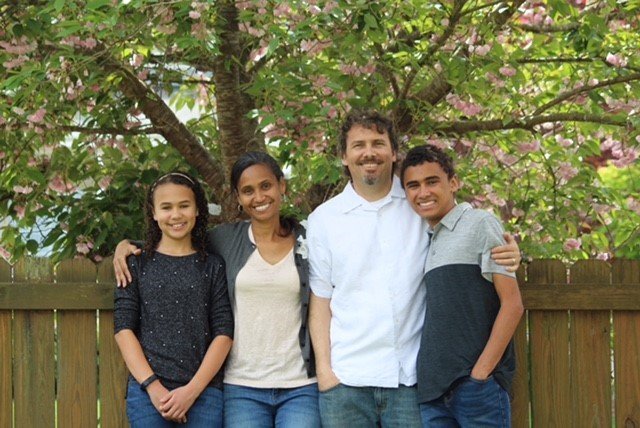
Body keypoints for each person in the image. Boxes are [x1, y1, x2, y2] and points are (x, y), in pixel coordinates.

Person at [307, 110, 521, 427]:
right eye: (358, 144)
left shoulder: (418, 206)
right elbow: (321, 299)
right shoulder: (323, 220)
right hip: (346, 381)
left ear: (393, 152)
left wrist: (512, 251)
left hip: (410, 382)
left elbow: (465, 236)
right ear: (344, 155)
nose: (369, 152)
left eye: (378, 143)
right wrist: (325, 372)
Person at [114, 152, 320, 428]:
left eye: (266, 186)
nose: (258, 196)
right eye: (248, 190)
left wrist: (193, 389)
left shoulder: (309, 240)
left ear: (282, 185)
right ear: (238, 197)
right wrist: (125, 245)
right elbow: (174, 242)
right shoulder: (224, 240)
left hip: (294, 383)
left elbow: (223, 327)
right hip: (239, 385)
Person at [400, 145, 524, 427]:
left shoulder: (480, 223)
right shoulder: (424, 237)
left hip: (475, 388)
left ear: (453, 182)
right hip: (433, 392)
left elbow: (513, 304)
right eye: (413, 185)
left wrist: (481, 373)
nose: (423, 192)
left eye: (432, 181)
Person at [114, 172, 234, 427]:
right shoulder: (135, 264)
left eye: (184, 206)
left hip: (204, 393)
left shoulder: (212, 266)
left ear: (198, 210)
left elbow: (223, 332)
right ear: (154, 213)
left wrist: (191, 392)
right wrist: (153, 387)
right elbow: (123, 329)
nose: (176, 215)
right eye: (166, 207)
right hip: (148, 395)